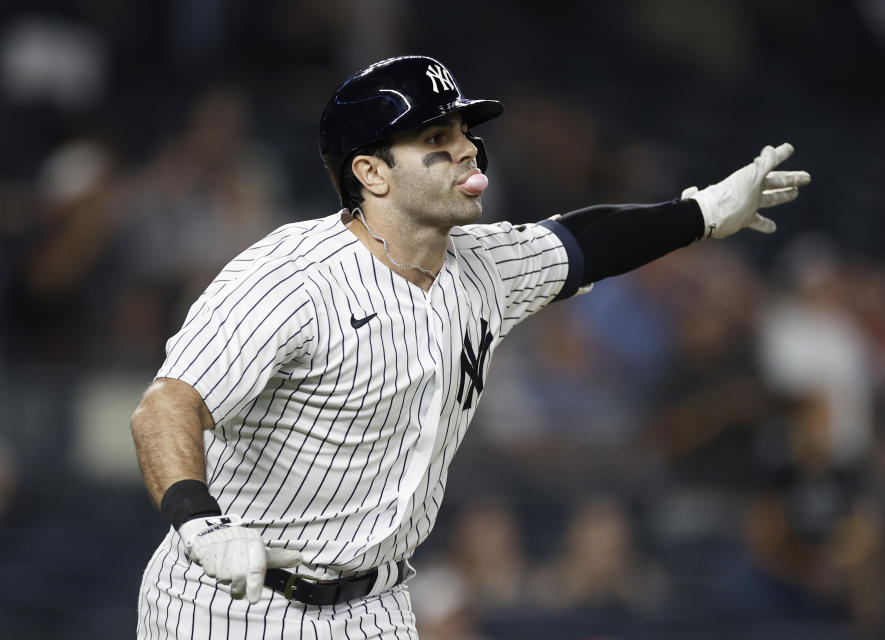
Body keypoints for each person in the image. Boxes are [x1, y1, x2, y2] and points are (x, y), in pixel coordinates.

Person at [131, 55, 810, 638]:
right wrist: (198, 522)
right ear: (371, 172)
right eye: (436, 136)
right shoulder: (292, 277)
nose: (466, 149)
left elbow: (589, 240)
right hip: (230, 604)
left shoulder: (487, 267)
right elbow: (167, 404)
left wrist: (704, 213)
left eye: (462, 131)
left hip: (377, 606)